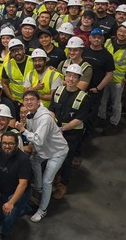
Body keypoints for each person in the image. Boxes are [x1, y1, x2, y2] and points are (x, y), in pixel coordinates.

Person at [13, 91, 68, 223]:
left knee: (47, 181)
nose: (29, 102)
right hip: (45, 149)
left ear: (39, 101)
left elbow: (38, 139)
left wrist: (22, 130)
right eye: (26, 100)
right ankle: (38, 188)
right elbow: (34, 135)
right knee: (34, 160)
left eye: (32, 99)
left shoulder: (45, 118)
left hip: (58, 151)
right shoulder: (30, 115)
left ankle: (42, 210)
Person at [49, 63, 90, 200]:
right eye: (69, 75)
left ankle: (63, 184)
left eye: (74, 77)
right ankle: (55, 176)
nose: (71, 79)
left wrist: (62, 129)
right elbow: (52, 110)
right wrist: (54, 126)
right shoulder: (58, 91)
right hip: (56, 131)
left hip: (71, 134)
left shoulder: (83, 98)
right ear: (65, 76)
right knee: (53, 155)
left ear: (79, 79)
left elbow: (78, 120)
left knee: (66, 159)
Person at [0, 132, 32, 239]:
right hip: (4, 189)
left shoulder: (23, 160)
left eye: (11, 144)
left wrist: (11, 203)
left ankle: (5, 233)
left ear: (17, 144)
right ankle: (23, 208)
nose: (7, 146)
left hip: (19, 191)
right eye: (4, 143)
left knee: (9, 214)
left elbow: (23, 184)